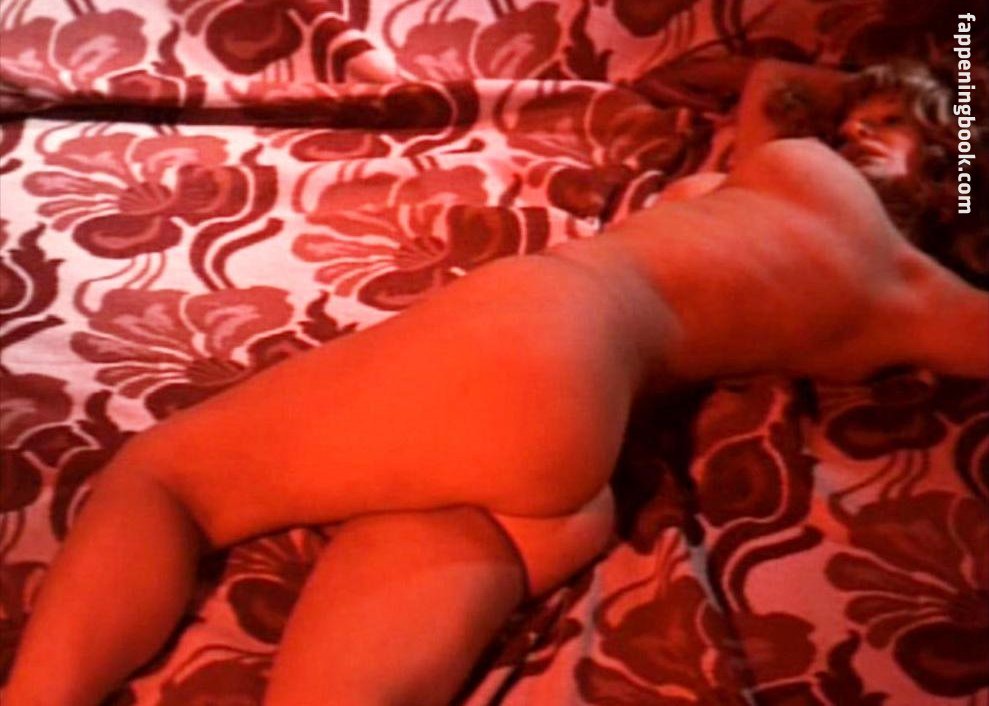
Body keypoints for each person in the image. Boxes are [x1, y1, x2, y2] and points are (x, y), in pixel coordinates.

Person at [5, 59, 988, 706]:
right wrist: (918, 103)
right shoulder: (887, 277)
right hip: (568, 466)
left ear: (946, 171)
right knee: (417, 540)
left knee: (166, 478)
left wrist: (952, 103)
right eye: (856, 117)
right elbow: (776, 83)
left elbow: (791, 89)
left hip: (546, 334)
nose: (858, 129)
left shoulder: (834, 203)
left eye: (893, 126)